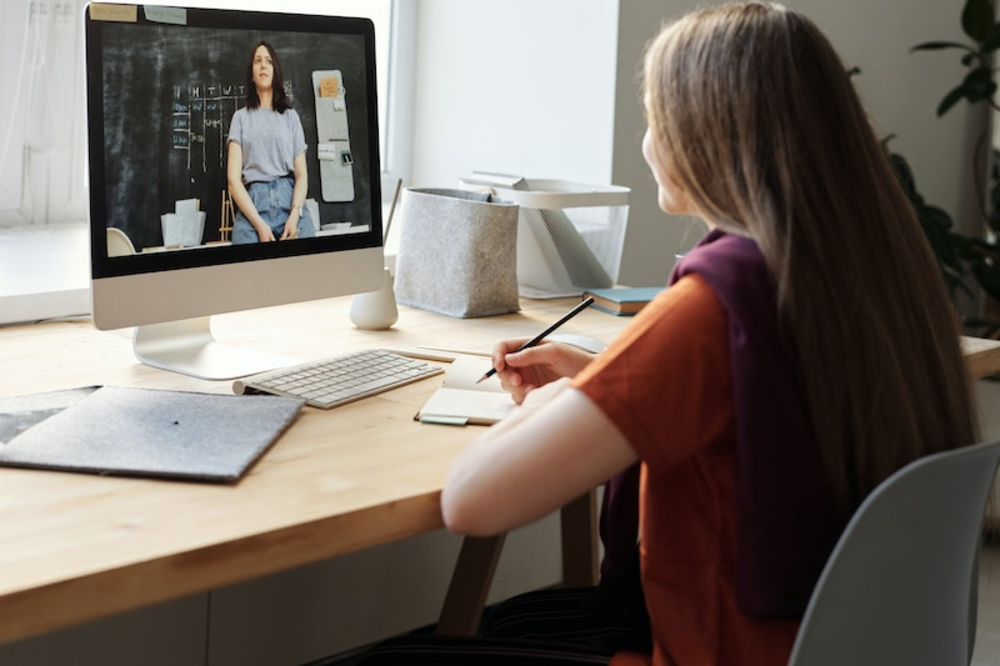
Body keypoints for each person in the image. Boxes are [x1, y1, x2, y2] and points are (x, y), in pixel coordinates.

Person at [359, 3, 979, 665]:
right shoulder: (876, 275)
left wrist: (568, 400)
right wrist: (609, 386)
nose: (648, 143)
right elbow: (767, 408)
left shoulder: (716, 307)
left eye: (658, 120)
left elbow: (470, 501)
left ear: (708, 136)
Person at [227, 41, 315, 244]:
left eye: (268, 61)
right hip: (253, 207)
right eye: (257, 61)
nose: (263, 66)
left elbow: (302, 174)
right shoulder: (240, 118)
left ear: (275, 71)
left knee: (309, 260)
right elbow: (233, 180)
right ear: (252, 74)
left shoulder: (290, 117)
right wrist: (259, 225)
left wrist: (295, 213)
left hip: (289, 201)